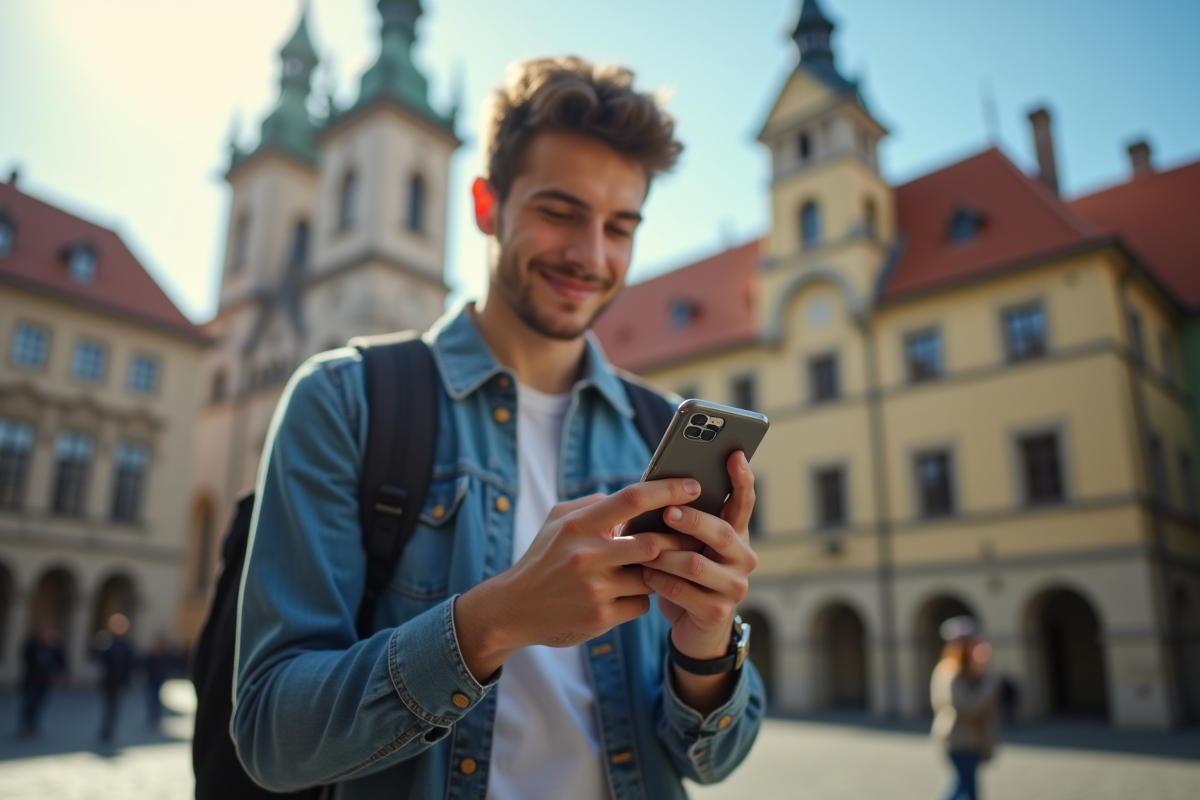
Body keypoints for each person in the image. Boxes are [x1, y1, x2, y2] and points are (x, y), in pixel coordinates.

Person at [233, 56, 765, 799]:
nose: (592, 256)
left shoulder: (659, 431)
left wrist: (706, 651)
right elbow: (271, 735)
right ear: (487, 205)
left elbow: (715, 760)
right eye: (559, 212)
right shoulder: (344, 400)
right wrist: (491, 623)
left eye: (621, 226)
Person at [930, 616, 998, 800]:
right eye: (973, 643)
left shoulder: (964, 672)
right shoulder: (949, 672)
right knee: (967, 791)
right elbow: (968, 706)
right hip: (960, 741)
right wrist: (989, 681)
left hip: (970, 741)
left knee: (961, 788)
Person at [17, 620, 66, 738]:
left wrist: (60, 674)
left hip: (45, 681)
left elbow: (61, 661)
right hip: (31, 680)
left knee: (39, 703)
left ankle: (33, 725)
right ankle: (26, 725)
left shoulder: (54, 645)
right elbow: (25, 657)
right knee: (30, 702)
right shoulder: (32, 644)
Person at [93, 613, 135, 743]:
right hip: (108, 680)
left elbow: (130, 663)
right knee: (108, 705)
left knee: (114, 706)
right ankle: (105, 729)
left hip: (119, 681)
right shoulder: (107, 641)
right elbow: (99, 657)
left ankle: (109, 729)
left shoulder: (126, 644)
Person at [143, 636, 172, 728]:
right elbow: (146, 666)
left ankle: (156, 716)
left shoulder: (164, 656)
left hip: (159, 679)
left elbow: (167, 666)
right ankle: (152, 716)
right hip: (151, 679)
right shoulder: (152, 656)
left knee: (157, 698)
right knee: (151, 698)